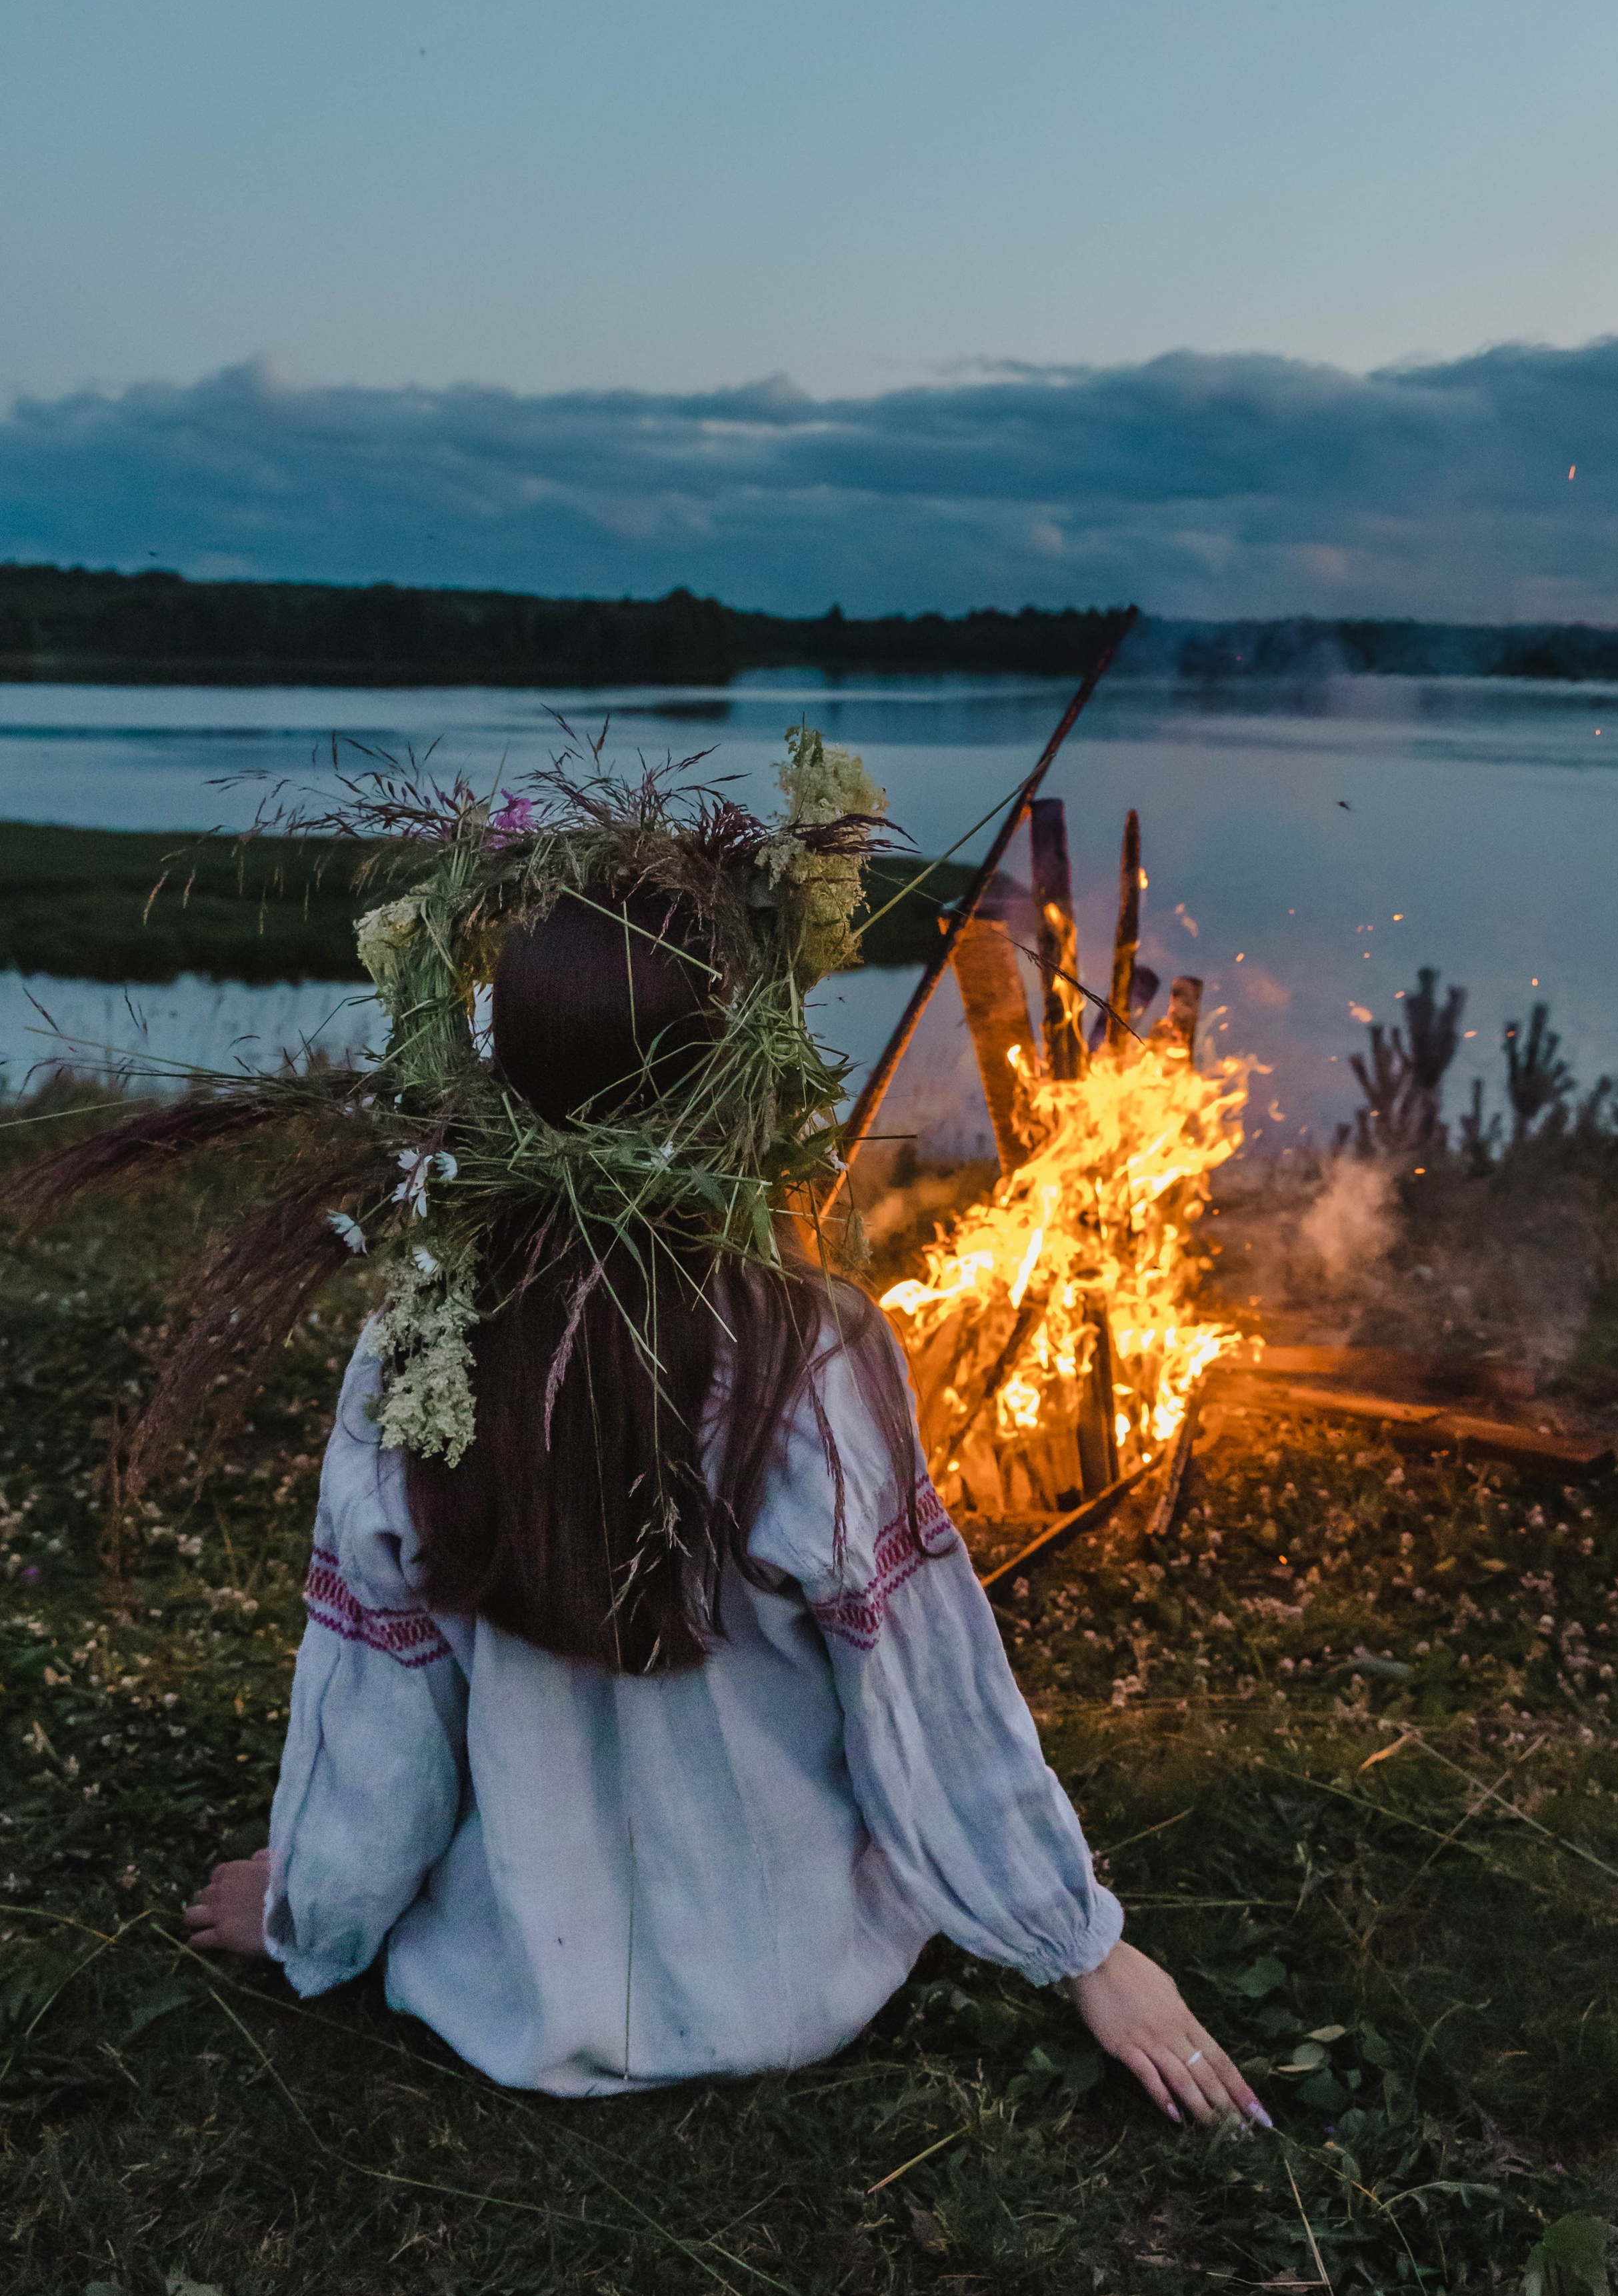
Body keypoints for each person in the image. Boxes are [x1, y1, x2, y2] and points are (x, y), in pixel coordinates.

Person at [181, 858, 1267, 2127]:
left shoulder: (418, 1346)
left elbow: (380, 1705)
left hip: (520, 1992)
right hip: (797, 1981)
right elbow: (920, 1689)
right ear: (732, 1087)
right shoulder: (811, 1353)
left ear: (510, 1080)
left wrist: (316, 1905)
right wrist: (1080, 1943)